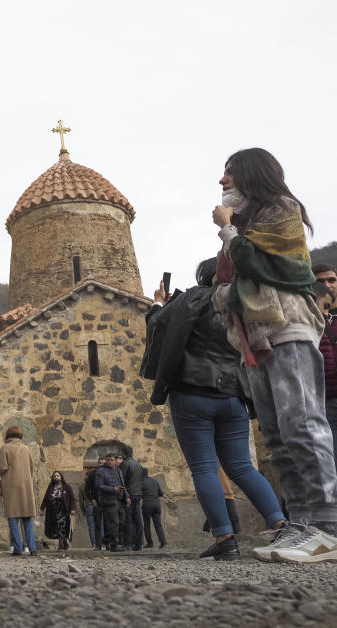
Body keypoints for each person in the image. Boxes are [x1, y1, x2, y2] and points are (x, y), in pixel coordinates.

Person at [211, 148, 337, 562]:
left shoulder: (281, 209)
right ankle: (300, 523)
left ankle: (327, 526)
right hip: (256, 338)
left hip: (287, 326)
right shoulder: (245, 222)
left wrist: (229, 231)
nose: (222, 182)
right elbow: (225, 282)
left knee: (302, 424)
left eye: (229, 174)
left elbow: (262, 265)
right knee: (278, 436)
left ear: (250, 175)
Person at [143, 256, 288, 561]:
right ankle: (282, 526)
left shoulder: (196, 297)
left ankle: (224, 538)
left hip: (192, 392)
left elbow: (158, 326)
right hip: (233, 394)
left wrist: (159, 303)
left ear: (205, 277)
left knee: (204, 467)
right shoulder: (242, 303)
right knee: (242, 466)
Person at [0, 426, 37, 557]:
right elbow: (31, 469)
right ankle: (32, 548)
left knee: (12, 518)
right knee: (27, 519)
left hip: (11, 487)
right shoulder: (26, 449)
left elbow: (1, 467)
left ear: (8, 435)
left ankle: (18, 547)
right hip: (26, 488)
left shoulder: (5, 448)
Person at [311, 270, 337, 462]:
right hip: (324, 399)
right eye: (320, 282)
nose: (327, 285)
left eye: (332, 280)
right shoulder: (306, 321)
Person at [94, 452, 128, 552]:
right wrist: (113, 489)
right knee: (114, 523)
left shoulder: (118, 470)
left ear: (115, 460)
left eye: (112, 460)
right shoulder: (101, 471)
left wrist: (127, 496)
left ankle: (105, 539)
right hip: (108, 501)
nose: (110, 461)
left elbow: (122, 484)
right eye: (108, 460)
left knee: (122, 522)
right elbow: (98, 485)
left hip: (120, 500)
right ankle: (114, 545)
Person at [40, 471, 76, 550]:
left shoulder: (67, 487)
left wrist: (72, 509)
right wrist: (42, 508)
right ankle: (65, 542)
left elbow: (72, 499)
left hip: (63, 511)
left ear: (61, 477)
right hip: (52, 512)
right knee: (56, 528)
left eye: (57, 476)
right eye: (54, 476)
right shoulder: (50, 487)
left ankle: (61, 546)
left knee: (61, 527)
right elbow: (46, 498)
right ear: (53, 478)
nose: (56, 477)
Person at [117, 445, 143, 550]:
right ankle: (138, 543)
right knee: (137, 519)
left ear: (123, 453)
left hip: (129, 494)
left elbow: (121, 481)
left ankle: (128, 544)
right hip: (138, 494)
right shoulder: (138, 465)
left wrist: (125, 495)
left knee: (128, 520)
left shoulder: (125, 464)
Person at [140, 467, 166, 548]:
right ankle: (163, 541)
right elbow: (161, 493)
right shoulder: (154, 481)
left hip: (147, 504)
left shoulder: (141, 482)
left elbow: (139, 494)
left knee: (147, 524)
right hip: (157, 504)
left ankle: (150, 543)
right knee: (158, 524)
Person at [81, 458, 104, 550]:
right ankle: (102, 544)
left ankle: (94, 544)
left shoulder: (82, 487)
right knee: (101, 525)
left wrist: (83, 510)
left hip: (88, 506)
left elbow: (81, 500)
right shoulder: (98, 481)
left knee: (91, 526)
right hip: (97, 504)